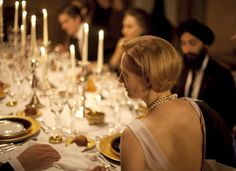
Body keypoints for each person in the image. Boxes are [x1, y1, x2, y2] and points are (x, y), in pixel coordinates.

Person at [172, 18, 236, 132]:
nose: (187, 49)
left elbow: (228, 117)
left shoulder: (222, 75)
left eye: (192, 43)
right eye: (183, 44)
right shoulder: (182, 70)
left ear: (205, 45)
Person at [108, 8, 150, 72]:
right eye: (123, 26)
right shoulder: (123, 42)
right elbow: (111, 67)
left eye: (129, 27)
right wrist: (118, 52)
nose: (123, 31)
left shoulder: (147, 50)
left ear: (143, 29)